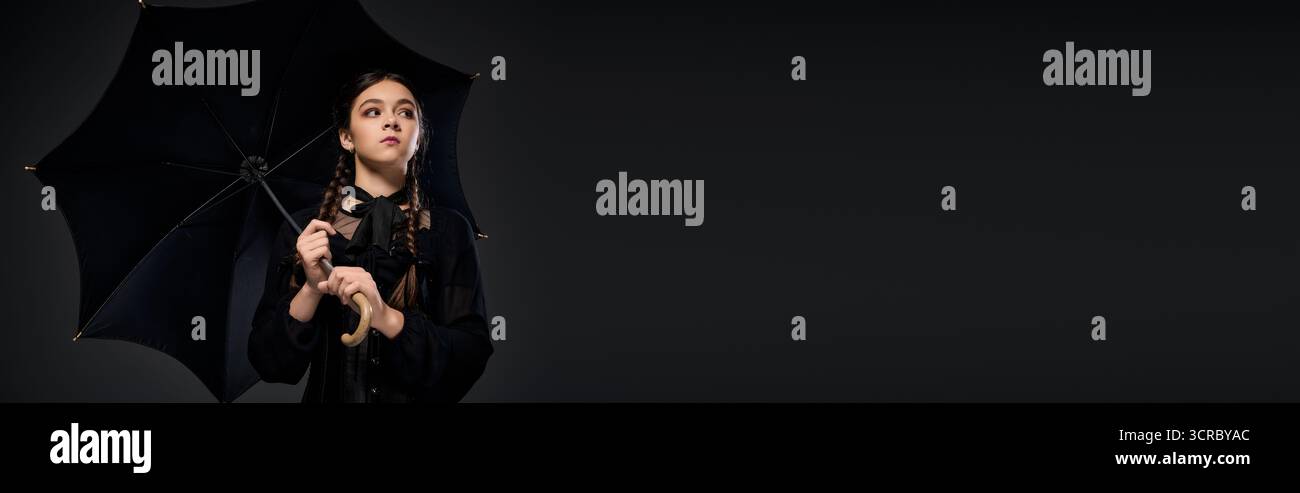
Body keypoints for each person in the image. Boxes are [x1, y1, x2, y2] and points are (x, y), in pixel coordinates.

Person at [249, 70, 493, 402]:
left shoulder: (448, 229)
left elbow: (470, 356)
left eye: (405, 112)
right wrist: (310, 288)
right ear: (346, 137)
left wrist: (386, 318)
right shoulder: (307, 231)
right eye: (373, 111)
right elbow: (271, 366)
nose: (392, 121)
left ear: (418, 137)